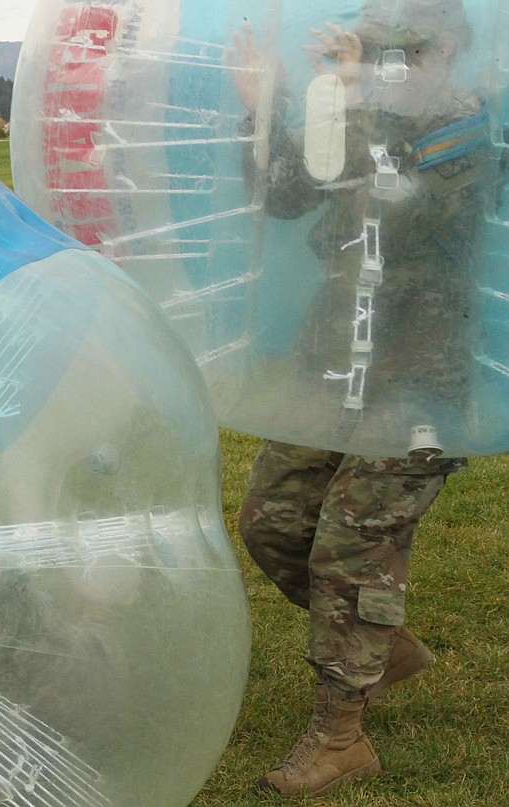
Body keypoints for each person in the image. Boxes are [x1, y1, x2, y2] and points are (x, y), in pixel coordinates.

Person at [230, 0, 493, 797]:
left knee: (349, 545)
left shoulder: (467, 127)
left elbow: (401, 213)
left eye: (397, 51)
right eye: (373, 49)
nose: (381, 65)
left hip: (420, 371)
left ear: (446, 48)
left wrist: (347, 104)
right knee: (271, 521)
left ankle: (339, 736)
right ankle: (383, 646)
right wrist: (268, 103)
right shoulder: (365, 111)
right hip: (335, 358)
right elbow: (286, 195)